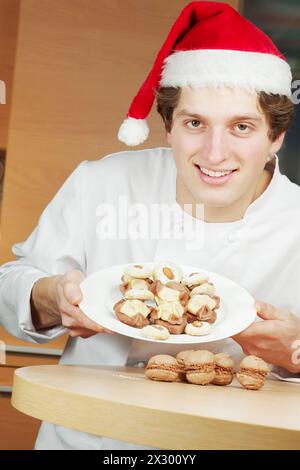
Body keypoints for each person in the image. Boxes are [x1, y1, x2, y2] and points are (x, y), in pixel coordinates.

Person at [1, 1, 300, 450]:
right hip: (85, 439)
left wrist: (295, 353)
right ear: (167, 127)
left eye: (241, 127)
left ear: (275, 137)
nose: (215, 153)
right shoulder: (102, 181)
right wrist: (51, 296)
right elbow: (11, 284)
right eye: (195, 123)